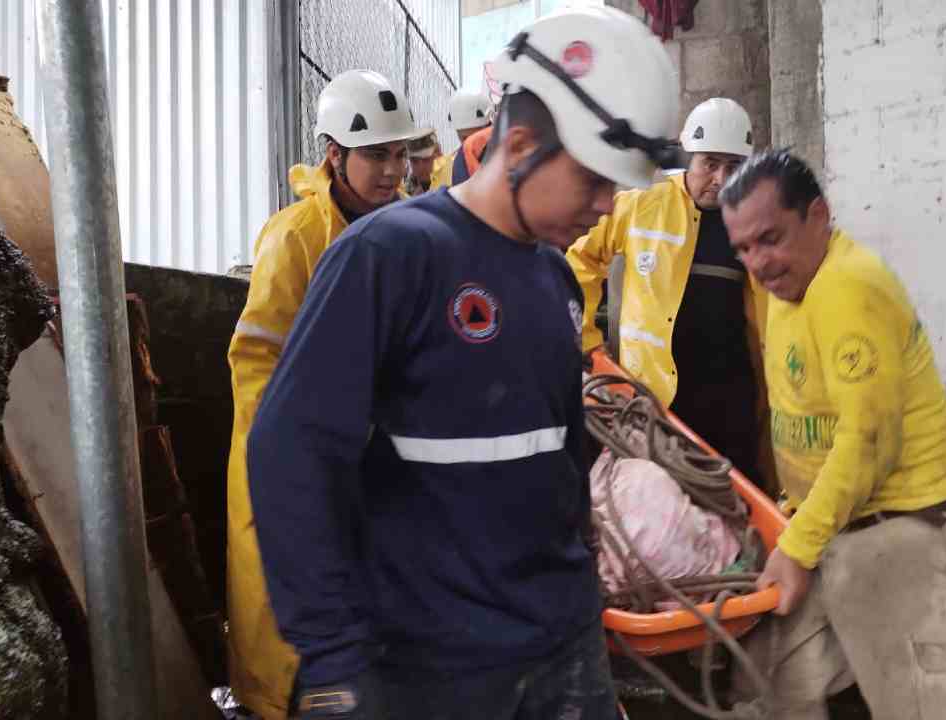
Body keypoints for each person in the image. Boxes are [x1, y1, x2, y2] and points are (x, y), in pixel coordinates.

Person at [246, 7, 680, 719]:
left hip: (560, 648)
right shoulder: (389, 258)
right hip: (427, 666)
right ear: (526, 142)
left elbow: (563, 453)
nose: (606, 208)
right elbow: (291, 453)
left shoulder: (556, 281)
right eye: (596, 180)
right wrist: (333, 658)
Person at [719, 149, 946, 719]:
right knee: (766, 686)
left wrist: (796, 545)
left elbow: (868, 442)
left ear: (819, 215)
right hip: (838, 526)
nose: (758, 262)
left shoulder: (847, 285)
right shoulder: (785, 291)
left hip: (907, 523)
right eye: (742, 248)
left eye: (770, 238)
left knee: (922, 707)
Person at [224, 68, 425, 720]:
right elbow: (256, 361)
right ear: (334, 154)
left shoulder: (402, 233)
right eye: (376, 155)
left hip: (368, 455)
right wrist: (295, 460)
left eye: (399, 154)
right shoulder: (295, 240)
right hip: (297, 457)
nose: (392, 170)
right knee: (286, 615)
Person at [566, 97, 773, 490]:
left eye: (733, 167)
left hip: (731, 400)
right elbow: (580, 260)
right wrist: (588, 346)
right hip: (658, 400)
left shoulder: (751, 220)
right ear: (688, 157)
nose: (720, 178)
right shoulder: (642, 203)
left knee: (736, 499)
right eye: (710, 163)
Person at [431, 89, 493, 188]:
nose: (469, 144)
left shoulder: (505, 156)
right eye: (464, 138)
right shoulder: (455, 166)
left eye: (475, 137)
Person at [403, 131, 440, 196]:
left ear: (438, 154)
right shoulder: (405, 192)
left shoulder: (453, 181)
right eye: (414, 161)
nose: (421, 167)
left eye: (426, 159)